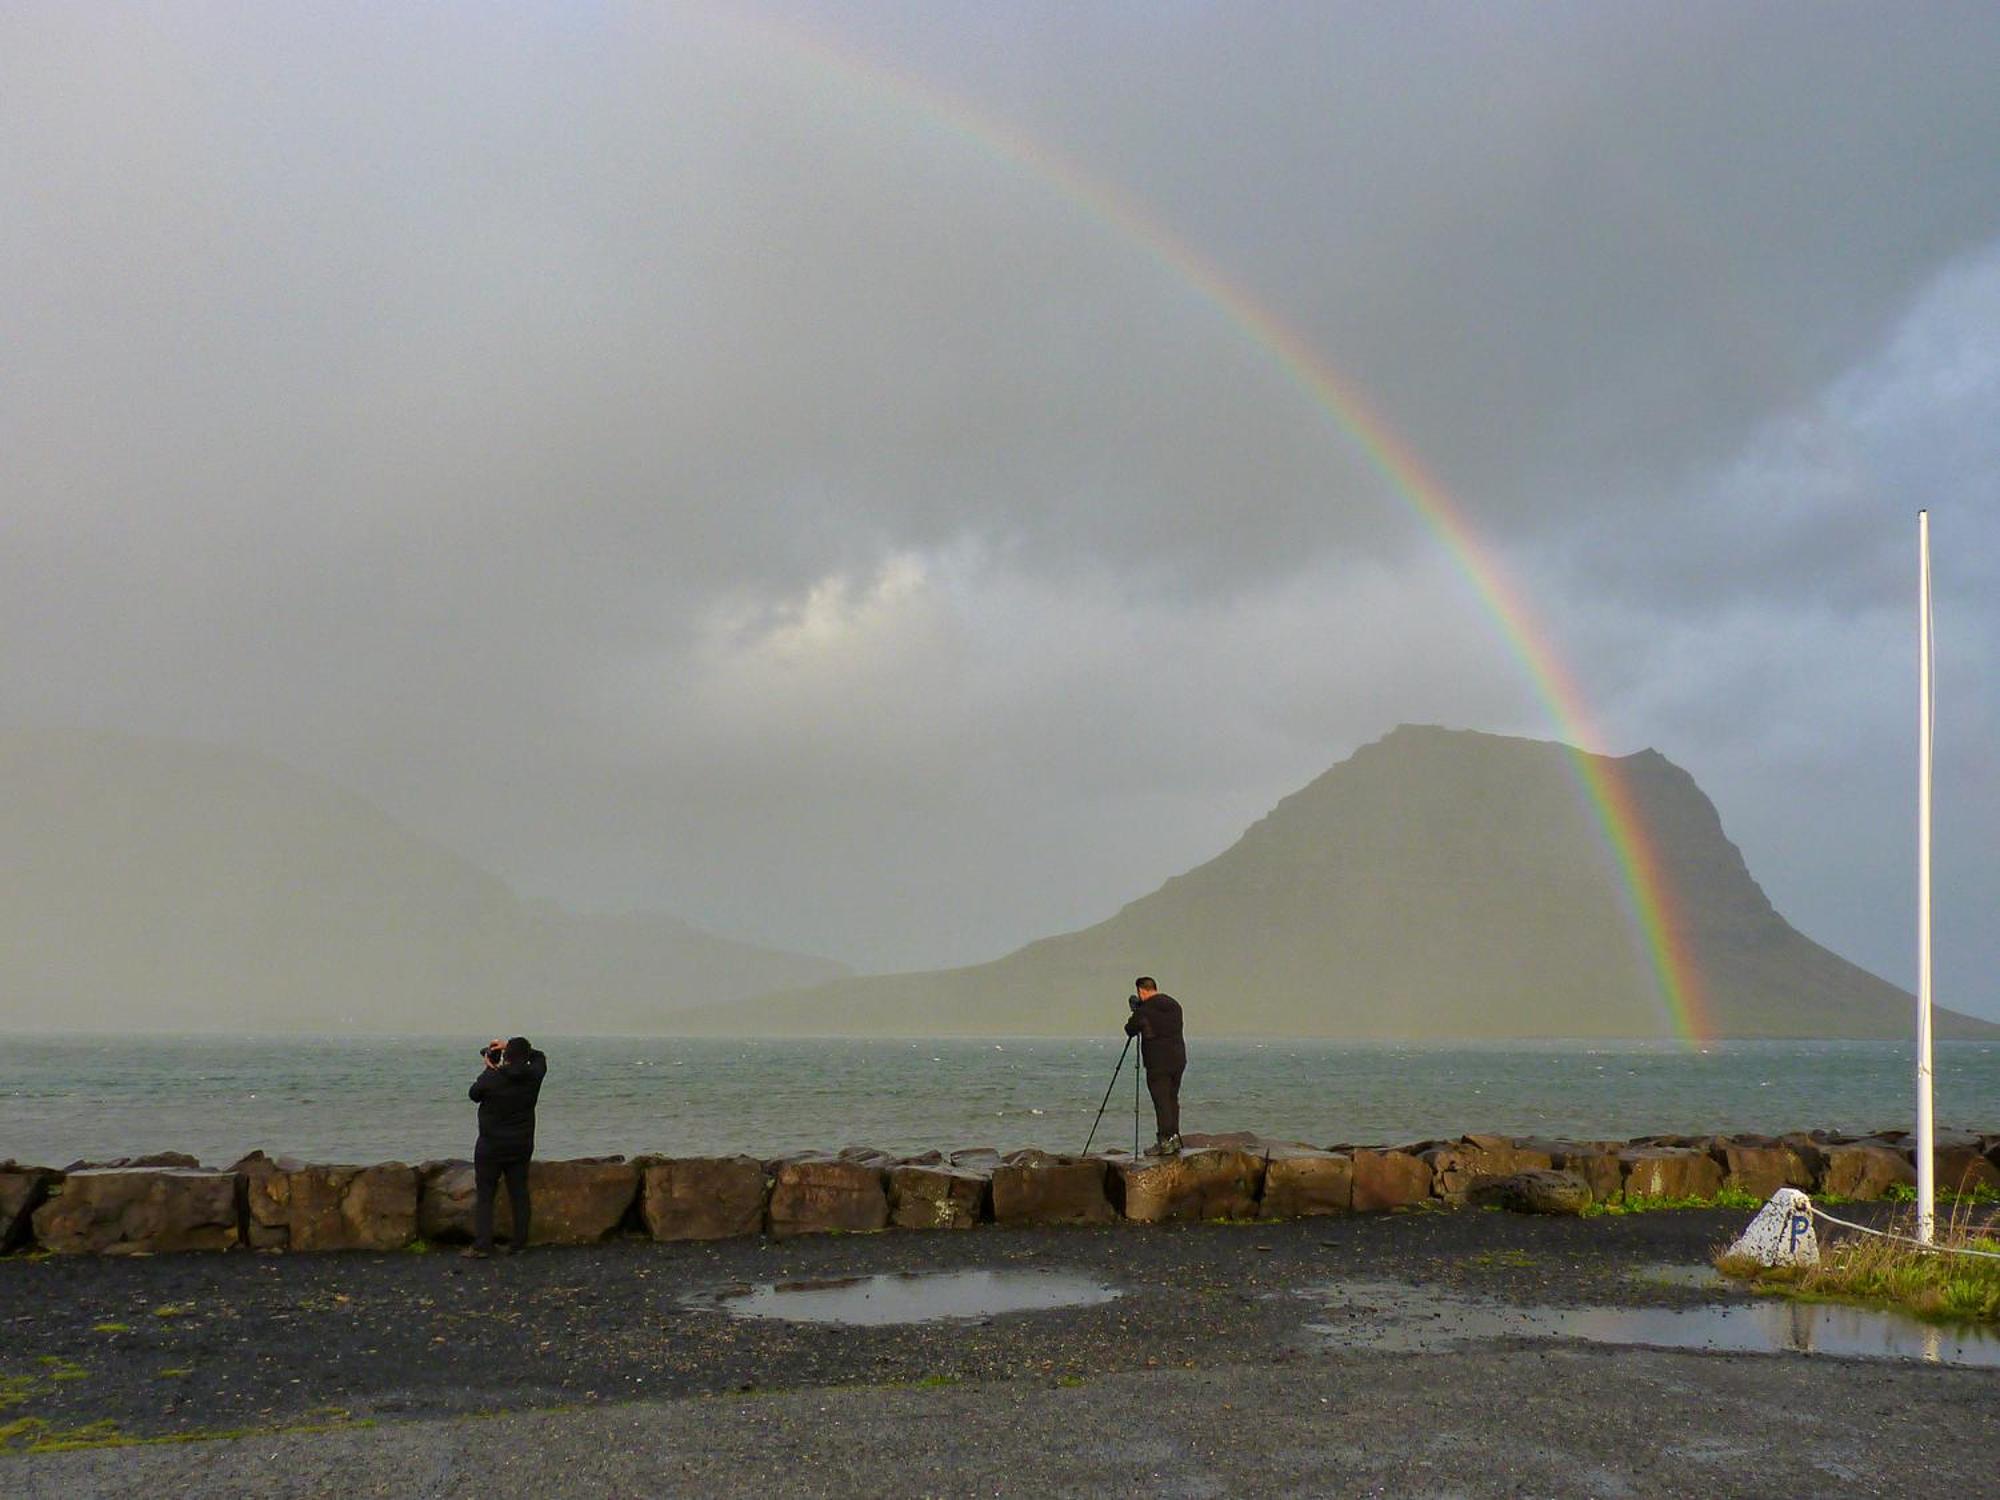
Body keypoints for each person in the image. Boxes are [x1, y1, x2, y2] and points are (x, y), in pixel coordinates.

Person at [464, 1035, 547, 1258]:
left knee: (485, 1195)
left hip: (491, 1145)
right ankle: (519, 1244)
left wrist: (490, 1068)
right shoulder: (534, 1075)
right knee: (519, 1193)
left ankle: (483, 1244)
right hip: (521, 1144)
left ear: (506, 1057)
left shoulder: (492, 1078)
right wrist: (514, 1050)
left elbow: (473, 1094)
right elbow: (540, 1057)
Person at [1124, 977, 1185, 1155]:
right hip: (1178, 1059)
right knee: (1172, 1098)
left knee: (1161, 1101)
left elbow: (1130, 1029)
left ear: (1141, 991)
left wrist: (1136, 1010)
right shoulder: (1174, 1005)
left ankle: (1164, 1141)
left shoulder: (1146, 1010)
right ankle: (1174, 1137)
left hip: (1158, 1063)